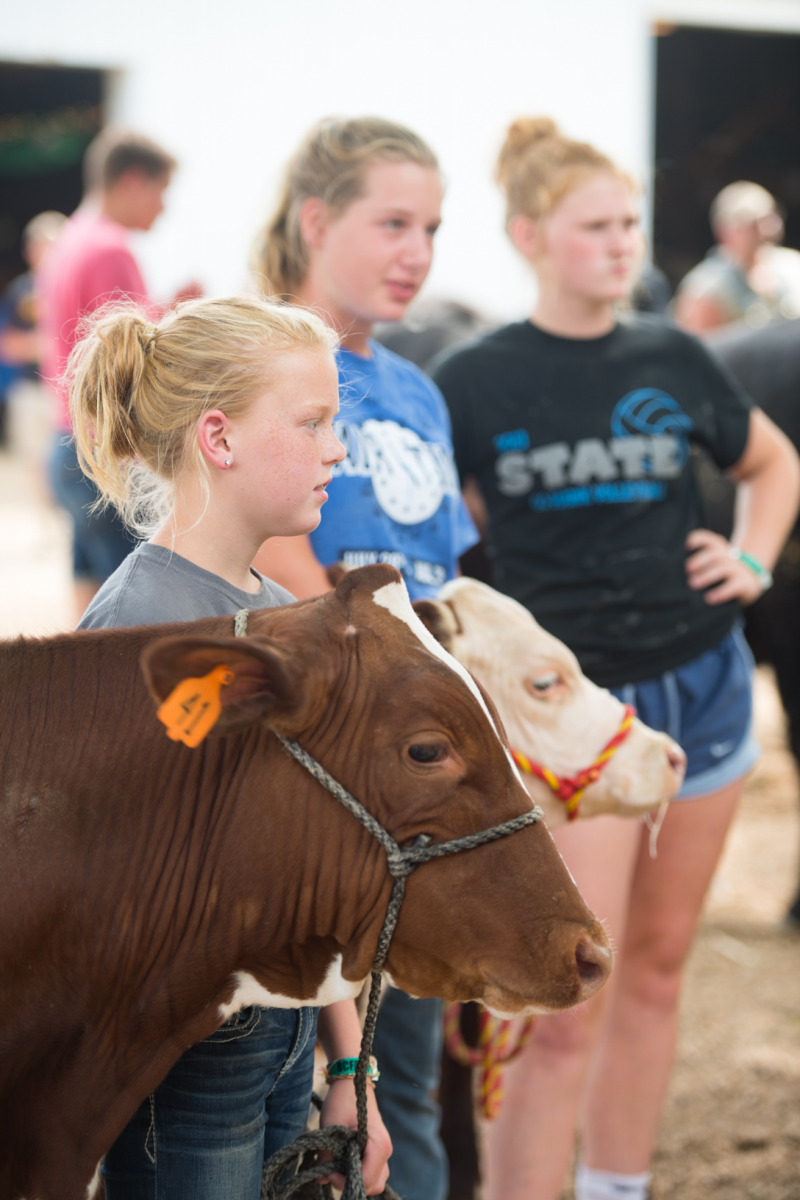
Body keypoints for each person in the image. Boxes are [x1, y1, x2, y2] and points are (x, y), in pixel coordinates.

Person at [432, 117, 800, 1200]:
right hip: (567, 718)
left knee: (651, 974)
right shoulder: (476, 379)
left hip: (702, 687)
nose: (618, 244)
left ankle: (616, 1187)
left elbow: (771, 463)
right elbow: (446, 546)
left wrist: (748, 559)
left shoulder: (671, 353)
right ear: (528, 235)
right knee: (561, 1001)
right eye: (594, 226)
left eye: (628, 223)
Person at [69, 294, 392, 1199]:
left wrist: (348, 1072)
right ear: (219, 438)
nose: (339, 448)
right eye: (315, 422)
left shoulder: (277, 616)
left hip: (284, 1050)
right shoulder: (140, 633)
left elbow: (304, 872)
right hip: (190, 1084)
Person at [251, 116, 479, 1200]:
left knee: (413, 1077)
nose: (416, 250)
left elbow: (442, 585)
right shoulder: (257, 359)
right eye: (391, 221)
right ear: (314, 220)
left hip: (419, 778)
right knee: (295, 1082)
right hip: (310, 767)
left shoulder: (416, 387)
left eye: (430, 227)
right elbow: (257, 543)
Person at [38, 126, 197, 621]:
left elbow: (94, 337)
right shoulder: (112, 250)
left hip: (66, 439)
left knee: (87, 609)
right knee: (139, 611)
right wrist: (183, 321)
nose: (163, 207)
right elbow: (132, 361)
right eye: (160, 191)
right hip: (107, 447)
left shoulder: (68, 239)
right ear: (132, 181)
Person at [673, 180, 781, 334]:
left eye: (770, 218)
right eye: (751, 224)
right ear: (725, 232)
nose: (765, 230)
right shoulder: (704, 289)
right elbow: (698, 349)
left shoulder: (793, 267)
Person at [0, 211, 66, 451]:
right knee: (34, 462)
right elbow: (6, 344)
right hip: (30, 389)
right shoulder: (20, 289)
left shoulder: (71, 283)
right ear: (29, 250)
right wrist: (42, 346)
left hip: (64, 390)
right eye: (42, 245)